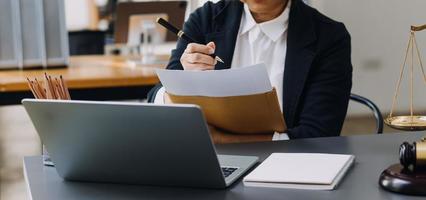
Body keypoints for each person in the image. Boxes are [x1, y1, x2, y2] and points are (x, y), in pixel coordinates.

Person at [147, 0, 352, 141]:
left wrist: (221, 140)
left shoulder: (329, 37)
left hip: (287, 164)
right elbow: (155, 96)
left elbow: (319, 136)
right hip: (209, 160)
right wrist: (182, 85)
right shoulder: (207, 18)